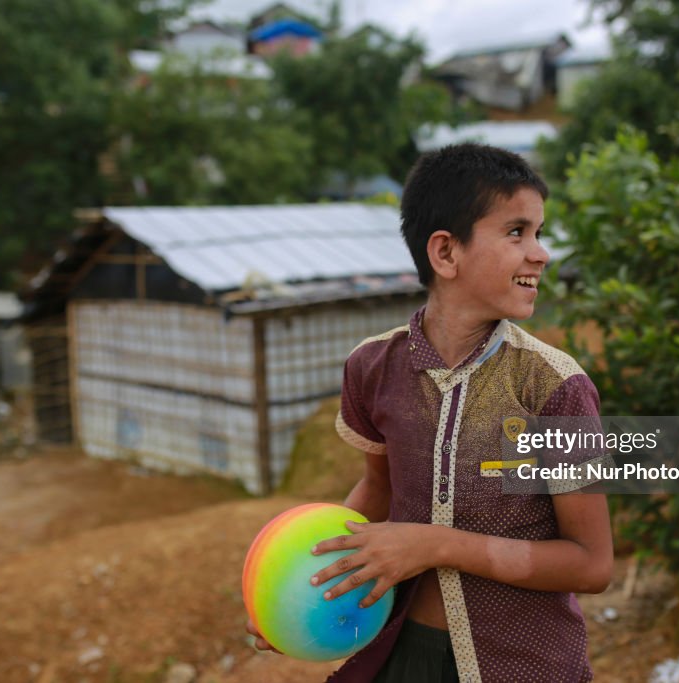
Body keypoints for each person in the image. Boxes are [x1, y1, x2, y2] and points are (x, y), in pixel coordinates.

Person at [248, 143, 613, 682]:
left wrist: (437, 545)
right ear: (445, 253)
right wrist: (299, 601)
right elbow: (377, 493)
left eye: (539, 233)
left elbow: (592, 563)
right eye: (517, 232)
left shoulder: (553, 388)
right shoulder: (374, 367)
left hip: (524, 665)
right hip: (400, 656)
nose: (541, 253)